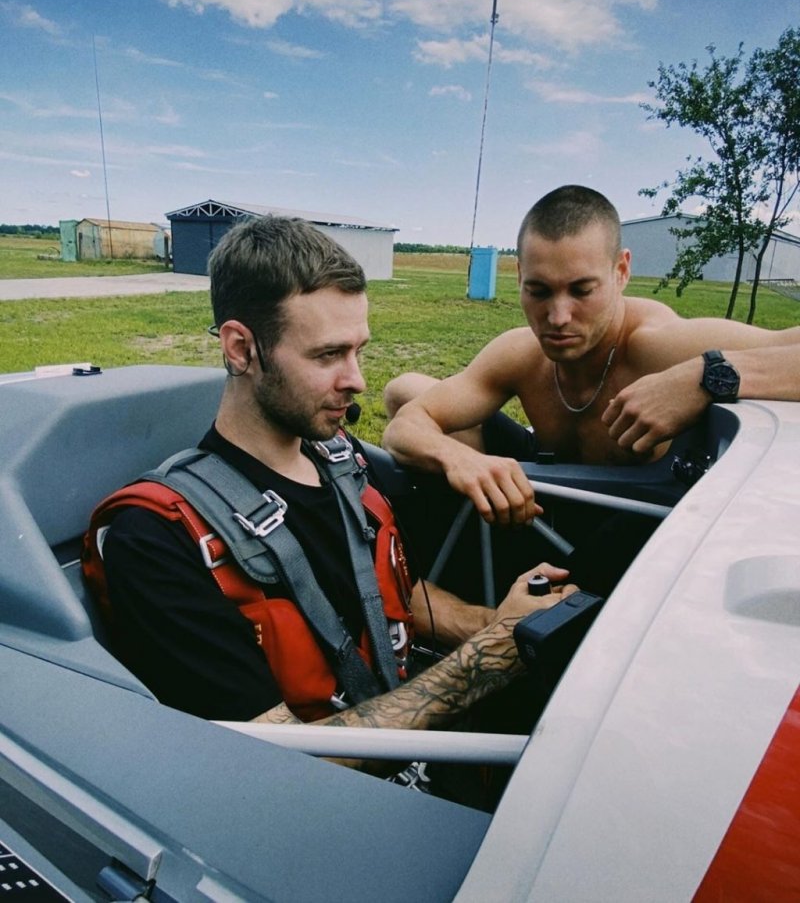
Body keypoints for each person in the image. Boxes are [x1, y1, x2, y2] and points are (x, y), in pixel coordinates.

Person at [82, 214, 575, 756]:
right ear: (241, 349)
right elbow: (277, 768)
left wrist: (501, 624)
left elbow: (386, 594)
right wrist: (488, 657)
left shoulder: (343, 465)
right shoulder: (156, 541)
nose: (357, 380)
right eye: (327, 355)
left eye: (358, 350)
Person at [382, 184, 800, 528]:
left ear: (621, 272)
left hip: (632, 523)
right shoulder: (521, 353)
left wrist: (709, 373)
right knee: (407, 389)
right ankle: (475, 536)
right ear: (520, 277)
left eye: (582, 291)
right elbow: (405, 427)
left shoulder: (660, 343)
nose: (557, 317)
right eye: (539, 291)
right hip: (537, 505)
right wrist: (462, 461)